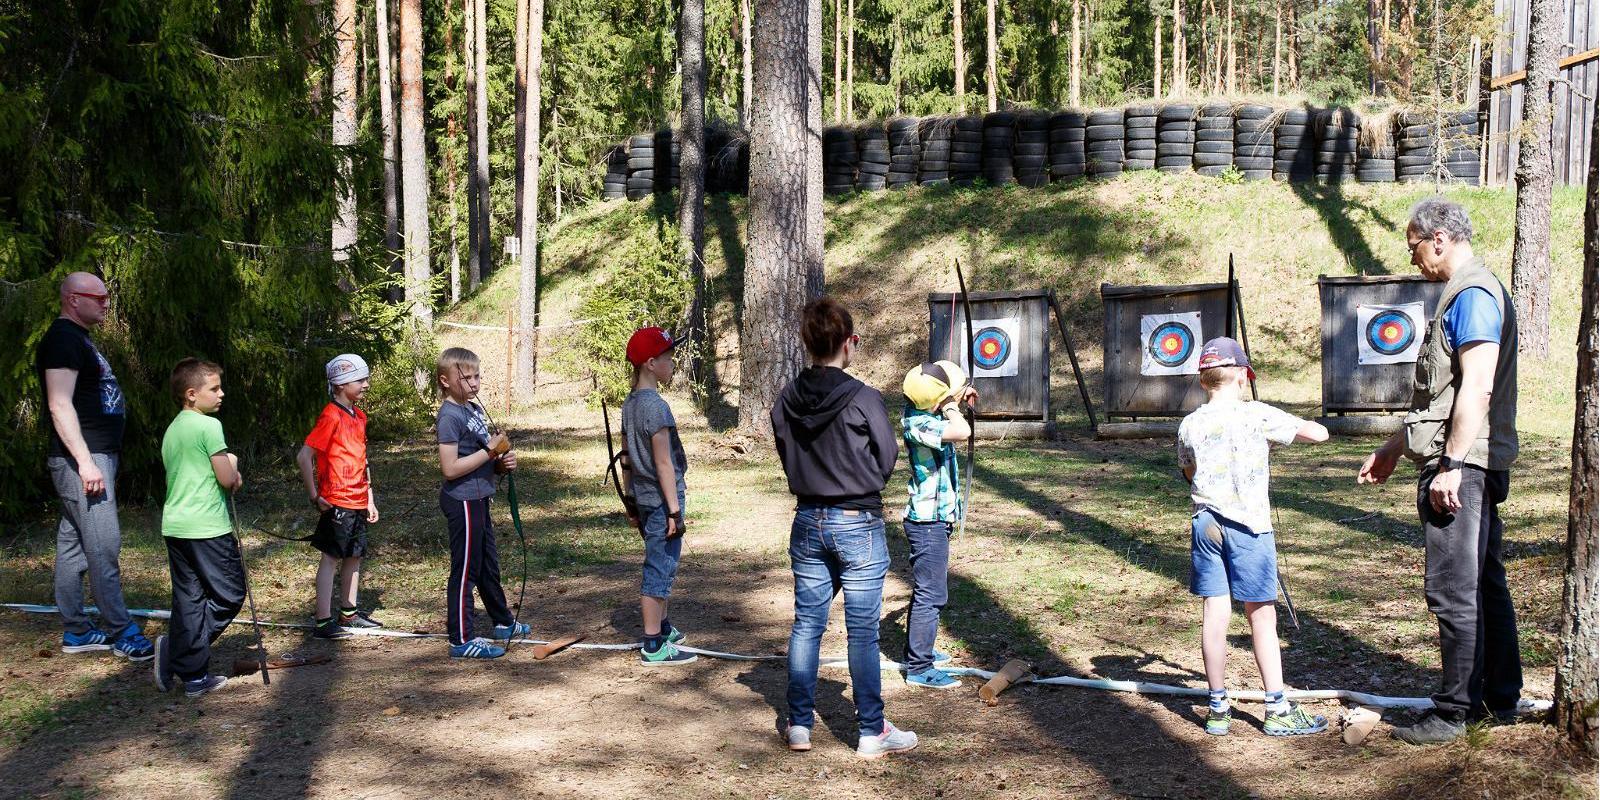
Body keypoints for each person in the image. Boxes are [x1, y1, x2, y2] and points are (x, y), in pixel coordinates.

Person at [1358, 198, 1522, 745]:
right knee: (1482, 583)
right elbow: (1443, 397)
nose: (1414, 260)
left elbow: (1476, 386)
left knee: (1454, 589)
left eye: (1414, 247)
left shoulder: (1473, 295)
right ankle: (1499, 697)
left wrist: (1450, 464)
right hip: (1469, 460)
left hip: (1463, 466)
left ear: (1439, 240)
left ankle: (1455, 712)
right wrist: (1392, 447)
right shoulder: (1471, 291)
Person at [771, 297, 917, 759]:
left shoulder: (785, 399)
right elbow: (889, 456)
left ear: (808, 343)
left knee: (807, 625)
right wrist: (862, 480)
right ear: (849, 343)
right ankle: (871, 731)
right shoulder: (863, 397)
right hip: (857, 522)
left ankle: (799, 725)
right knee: (862, 632)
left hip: (808, 519)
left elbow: (782, 444)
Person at [1176, 337, 1329, 737]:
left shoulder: (1190, 423)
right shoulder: (1257, 414)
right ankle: (1276, 708)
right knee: (1261, 615)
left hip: (1206, 523)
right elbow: (1320, 435)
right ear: (1243, 376)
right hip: (1248, 527)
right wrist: (1293, 425)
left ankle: (1217, 708)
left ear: (1203, 380)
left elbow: (1188, 471)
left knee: (1215, 612)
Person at [35, 272, 152, 660]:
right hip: (83, 459)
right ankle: (123, 633)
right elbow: (59, 403)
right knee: (104, 545)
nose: (105, 303)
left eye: (106, 296)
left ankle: (77, 632)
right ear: (72, 299)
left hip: (92, 457)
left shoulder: (77, 340)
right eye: (97, 297)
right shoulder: (63, 340)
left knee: (73, 545)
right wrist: (86, 462)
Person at [151, 359, 246, 698]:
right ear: (192, 394)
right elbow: (226, 478)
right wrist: (234, 466)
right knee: (231, 593)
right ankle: (183, 654)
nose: (222, 394)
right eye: (214, 388)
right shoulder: (208, 427)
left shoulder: (173, 429)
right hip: (206, 526)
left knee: (190, 598)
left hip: (175, 525)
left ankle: (192, 676)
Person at [435, 347, 524, 660]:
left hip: (479, 496)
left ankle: (501, 622)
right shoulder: (449, 416)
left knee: (488, 565)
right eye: (466, 377)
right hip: (462, 500)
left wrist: (501, 463)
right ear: (445, 381)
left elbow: (484, 458)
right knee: (466, 571)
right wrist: (489, 452)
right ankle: (461, 639)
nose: (474, 383)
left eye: (477, 376)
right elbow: (450, 469)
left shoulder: (473, 409)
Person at [897, 360, 977, 690]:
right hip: (927, 523)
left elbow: (944, 408)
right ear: (936, 401)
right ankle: (919, 666)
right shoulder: (919, 424)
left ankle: (918, 649)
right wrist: (951, 407)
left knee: (928, 590)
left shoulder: (924, 412)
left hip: (934, 520)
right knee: (931, 594)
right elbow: (962, 431)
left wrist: (956, 398)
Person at [620, 327, 695, 666]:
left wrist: (631, 499)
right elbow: (664, 463)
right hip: (663, 501)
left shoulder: (631, 403)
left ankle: (662, 628)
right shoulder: (657, 407)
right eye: (667, 357)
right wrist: (674, 511)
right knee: (659, 567)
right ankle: (653, 645)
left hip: (645, 499)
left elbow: (625, 458)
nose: (672, 361)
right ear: (650, 363)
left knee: (662, 563)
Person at [296, 354, 382, 640]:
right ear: (341, 384)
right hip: (337, 501)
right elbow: (304, 456)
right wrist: (314, 495)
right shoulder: (330, 415)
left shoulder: (359, 416)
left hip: (358, 499)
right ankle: (323, 620)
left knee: (354, 557)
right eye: (360, 379)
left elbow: (362, 458)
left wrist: (369, 497)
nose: (366, 385)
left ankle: (349, 612)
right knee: (331, 559)